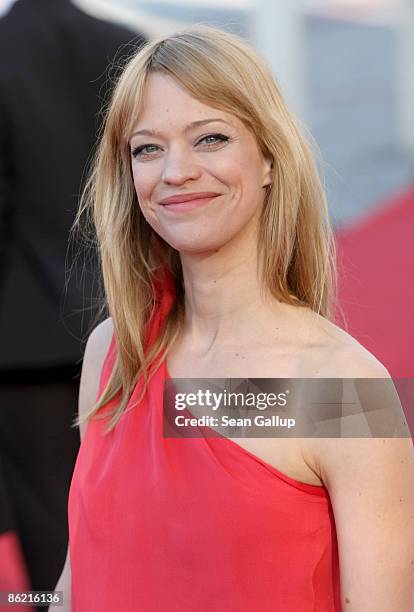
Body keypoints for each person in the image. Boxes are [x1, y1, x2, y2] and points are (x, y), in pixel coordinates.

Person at [62, 25, 414, 611]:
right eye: (148, 148)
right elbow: (76, 580)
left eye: (210, 138)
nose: (175, 171)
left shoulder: (338, 390)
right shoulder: (115, 353)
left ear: (270, 157)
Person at [0, 0, 146, 603]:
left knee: (45, 504)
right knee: (141, 486)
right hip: (132, 313)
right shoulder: (124, 44)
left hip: (23, 333)